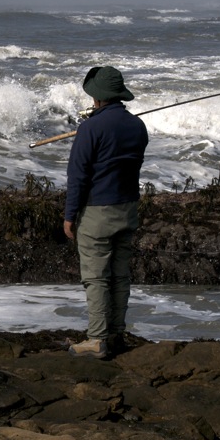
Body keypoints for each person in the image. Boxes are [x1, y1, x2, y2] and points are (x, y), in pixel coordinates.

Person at [64, 66, 149, 359]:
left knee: (97, 277)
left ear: (98, 97)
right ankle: (116, 333)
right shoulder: (137, 126)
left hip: (97, 212)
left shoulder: (90, 127)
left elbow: (78, 176)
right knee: (120, 275)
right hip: (128, 210)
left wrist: (69, 215)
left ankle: (97, 338)